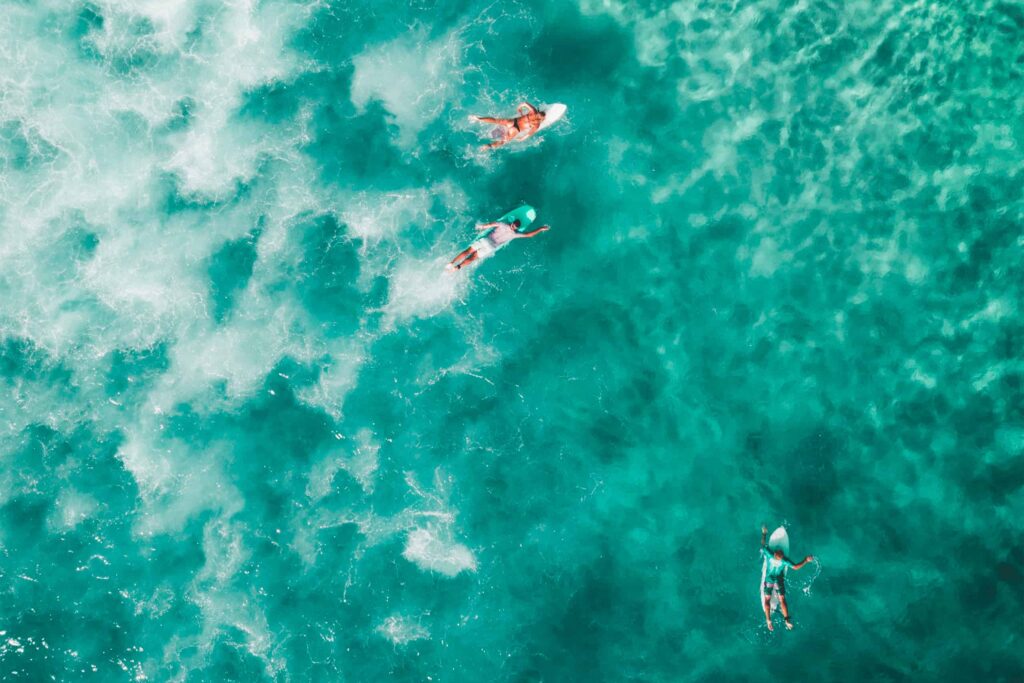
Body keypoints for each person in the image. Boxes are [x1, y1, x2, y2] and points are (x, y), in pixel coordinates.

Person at [760, 525, 814, 631]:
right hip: (778, 581)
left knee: (767, 599)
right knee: (782, 599)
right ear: (781, 556)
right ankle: (786, 620)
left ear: (775, 554)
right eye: (781, 552)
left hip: (769, 580)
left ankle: (768, 620)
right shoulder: (785, 560)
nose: (781, 551)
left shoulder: (770, 554)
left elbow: (762, 545)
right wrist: (806, 560)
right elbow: (795, 567)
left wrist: (764, 534)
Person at [446, 218, 549, 271]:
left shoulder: (502, 224)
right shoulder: (515, 234)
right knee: (473, 258)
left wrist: (480, 226)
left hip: (486, 240)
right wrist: (540, 228)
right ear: (516, 228)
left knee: (468, 251)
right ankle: (457, 267)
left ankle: (452, 263)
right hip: (491, 247)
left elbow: (489, 225)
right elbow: (528, 235)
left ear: (512, 223)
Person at [471, 102, 546, 150]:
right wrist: (521, 139)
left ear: (538, 113)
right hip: (515, 130)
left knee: (495, 120)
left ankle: (478, 119)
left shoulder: (533, 111)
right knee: (503, 141)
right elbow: (528, 134)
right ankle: (488, 146)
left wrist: (519, 109)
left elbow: (524, 103)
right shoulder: (536, 125)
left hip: (512, 122)